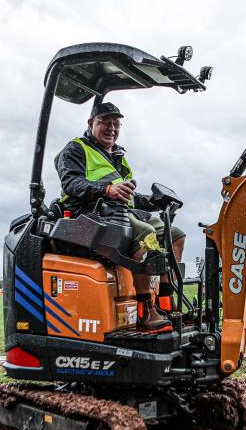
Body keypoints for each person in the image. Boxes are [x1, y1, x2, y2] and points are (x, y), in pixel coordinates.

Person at [55, 101, 185, 330]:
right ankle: (146, 311)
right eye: (105, 122)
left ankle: (166, 301)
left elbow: (129, 197)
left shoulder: (118, 156)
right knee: (147, 234)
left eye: (116, 124)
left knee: (174, 234)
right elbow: (71, 184)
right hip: (91, 214)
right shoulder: (75, 149)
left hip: (121, 212)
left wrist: (155, 202)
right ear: (90, 123)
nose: (111, 129)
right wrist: (105, 190)